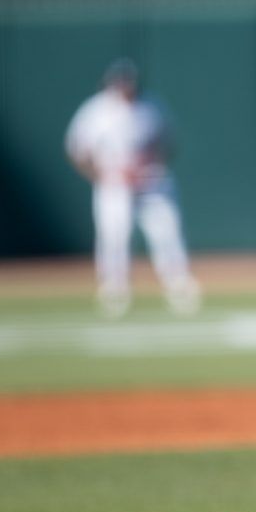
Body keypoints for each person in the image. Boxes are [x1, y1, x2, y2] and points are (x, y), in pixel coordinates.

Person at [65, 58, 201, 318]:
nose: (125, 88)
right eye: (119, 83)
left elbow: (167, 141)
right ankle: (115, 288)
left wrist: (150, 161)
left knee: (166, 232)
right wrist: (103, 174)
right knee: (114, 236)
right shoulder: (96, 111)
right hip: (114, 182)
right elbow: (77, 151)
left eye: (128, 83)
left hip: (150, 181)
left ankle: (177, 283)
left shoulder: (151, 106)